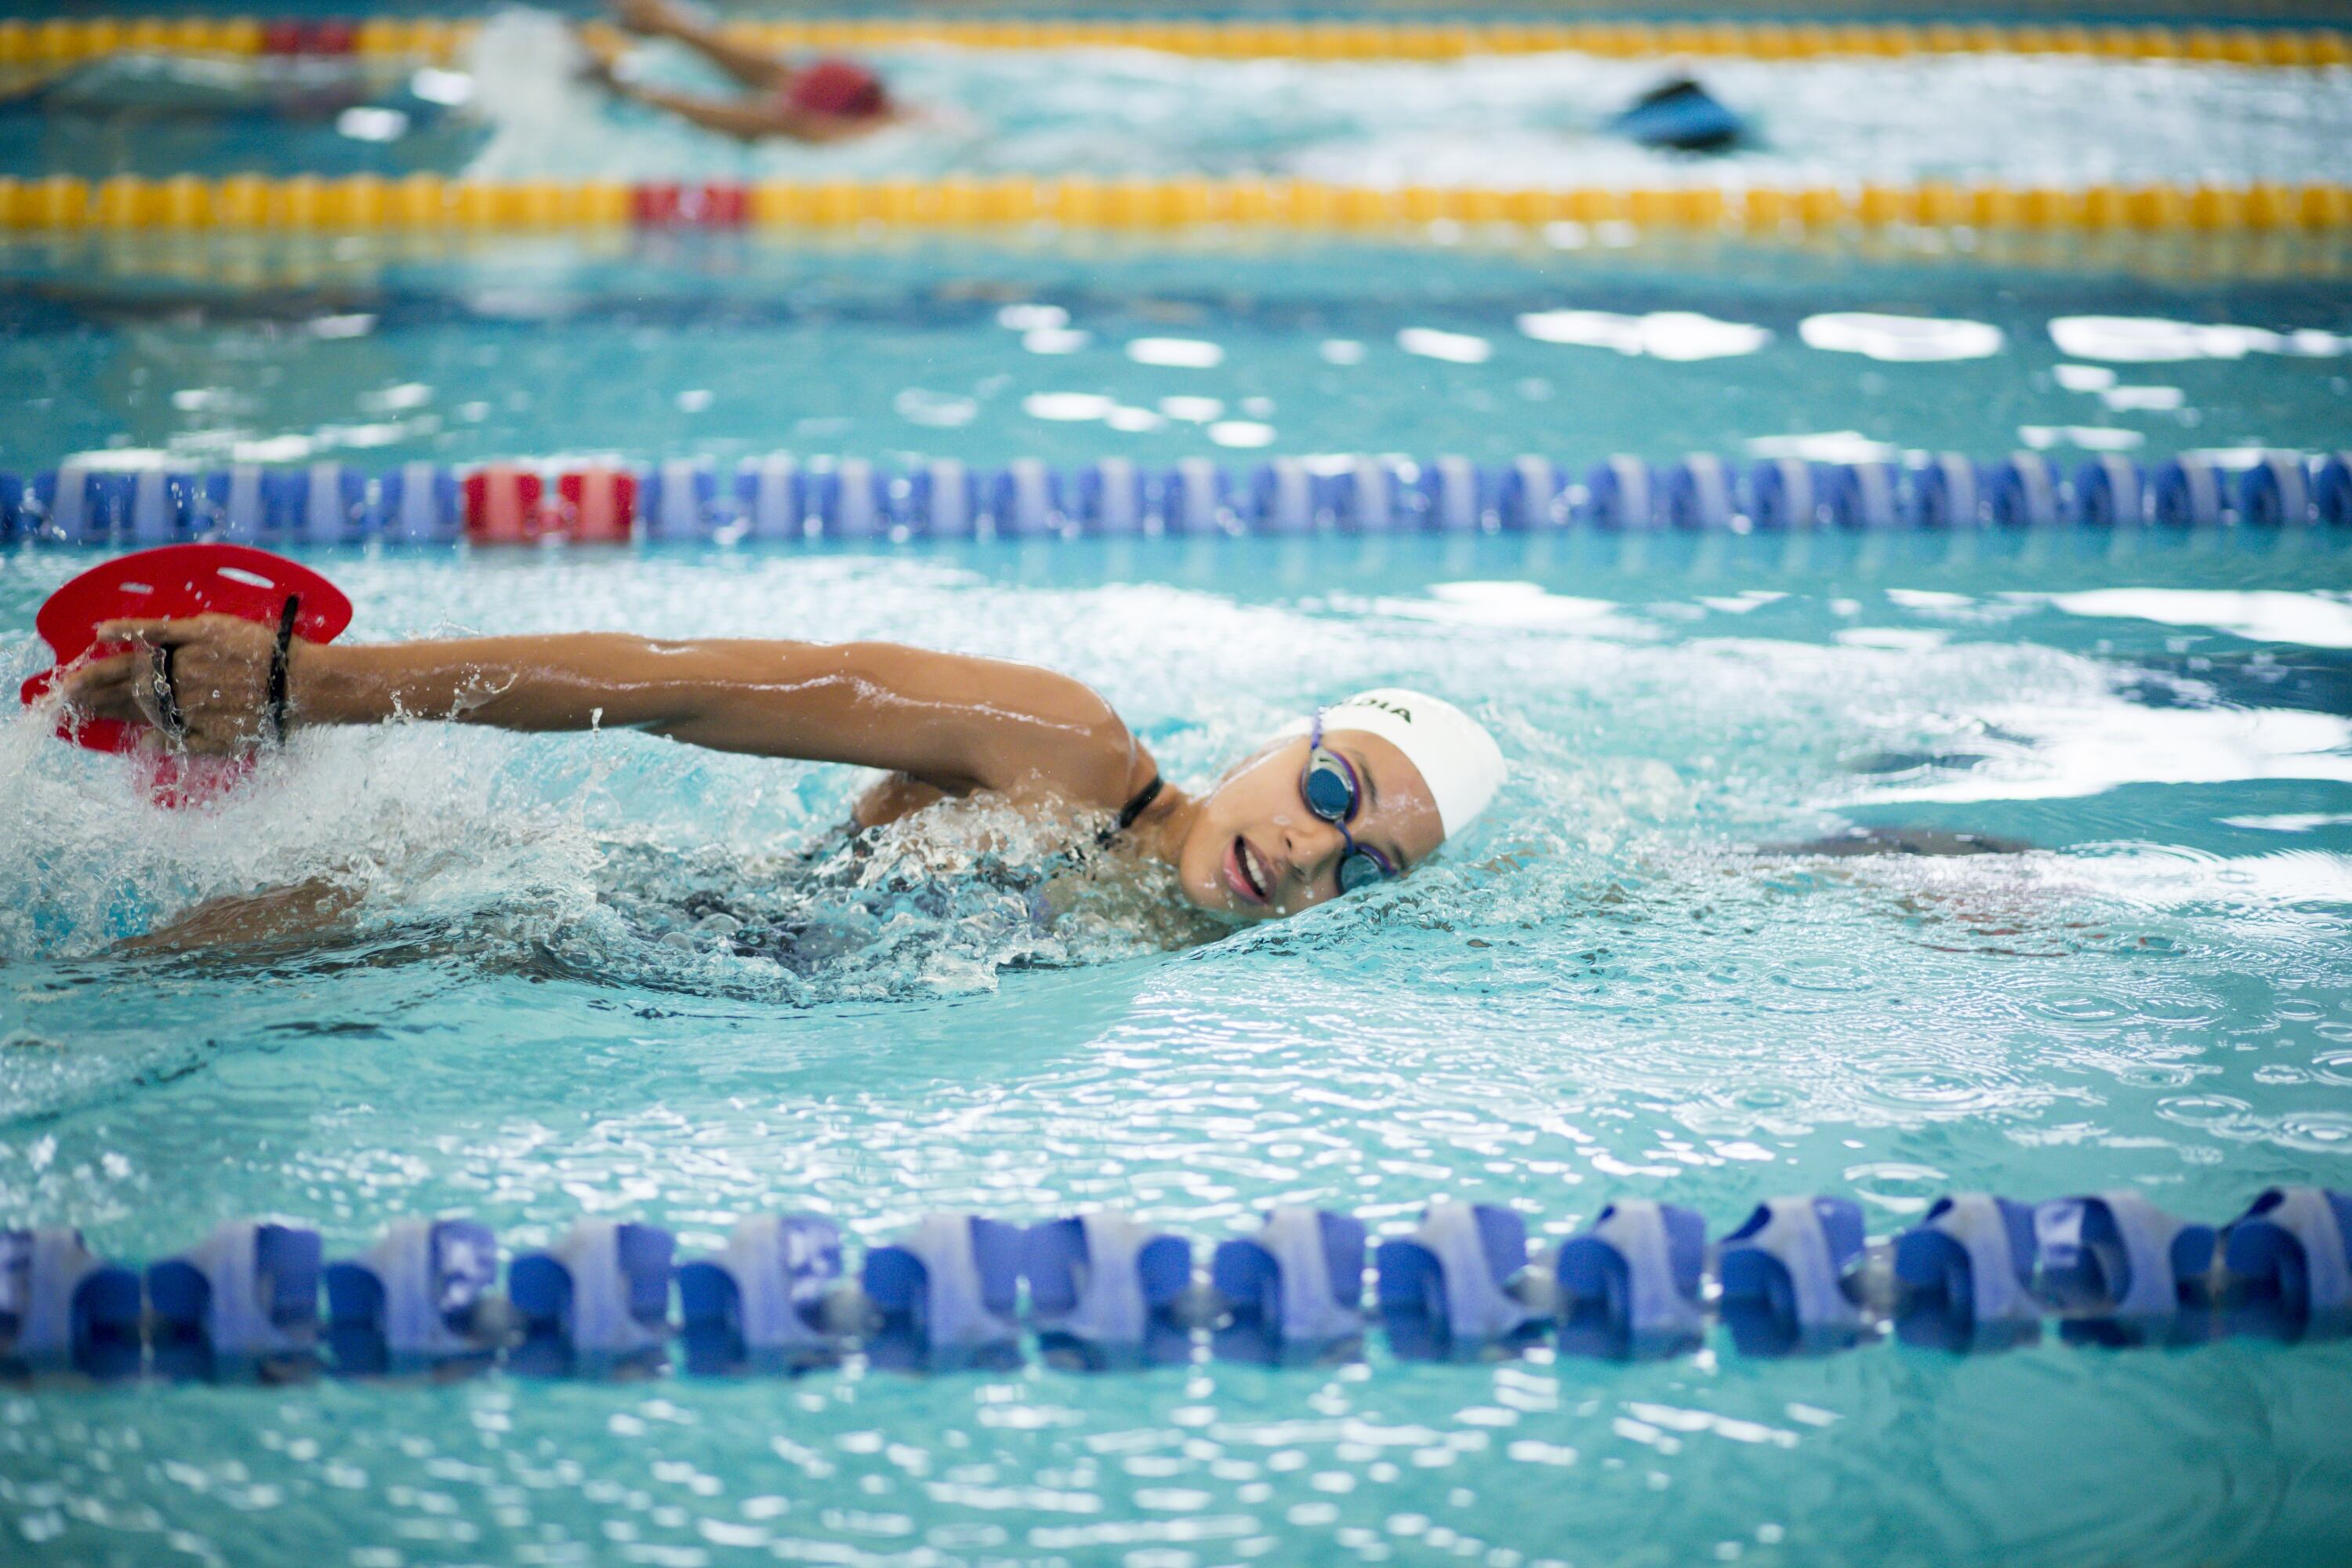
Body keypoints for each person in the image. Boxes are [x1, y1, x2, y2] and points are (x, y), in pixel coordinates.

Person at [57, 616, 1504, 941]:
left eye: (1365, 863)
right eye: (1331, 795)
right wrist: (325, 686)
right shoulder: (1070, 752)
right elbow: (694, 682)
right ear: (1273, 746)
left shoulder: (1222, 966)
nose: (1316, 858)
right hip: (572, 922)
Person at [577, 0, 898, 144]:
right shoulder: (889, 125)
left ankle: (669, 28)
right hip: (863, 109)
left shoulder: (865, 132)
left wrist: (636, 94)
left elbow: (776, 122)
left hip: (855, 116)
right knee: (789, 88)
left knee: (786, 99)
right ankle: (668, 26)